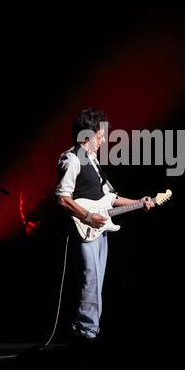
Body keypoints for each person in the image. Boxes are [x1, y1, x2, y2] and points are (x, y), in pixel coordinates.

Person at [55, 108, 154, 343]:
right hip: (85, 229)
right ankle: (84, 331)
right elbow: (62, 197)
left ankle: (90, 329)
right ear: (87, 135)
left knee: (97, 280)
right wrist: (88, 217)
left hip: (99, 229)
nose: (103, 140)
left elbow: (110, 197)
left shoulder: (92, 161)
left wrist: (140, 203)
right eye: (100, 135)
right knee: (90, 278)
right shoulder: (71, 158)